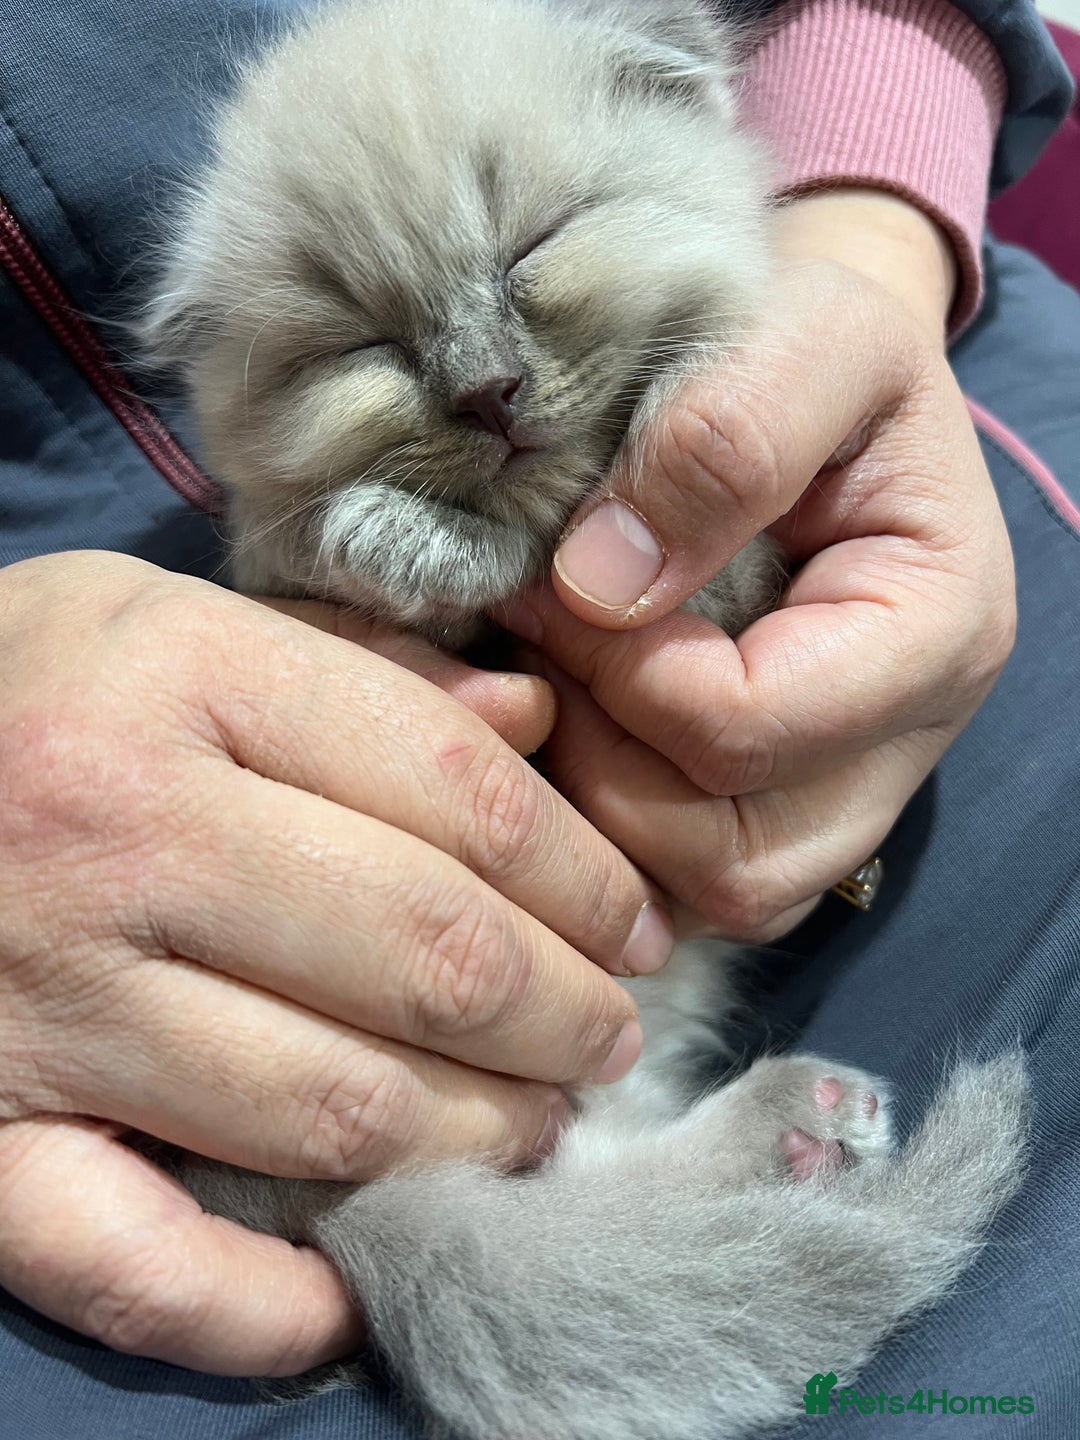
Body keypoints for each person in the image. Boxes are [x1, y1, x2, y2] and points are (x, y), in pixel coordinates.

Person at [0, 0, 1076, 1435]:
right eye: (357, 349)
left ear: (677, 92)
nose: (481, 375)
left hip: (888, 338)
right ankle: (601, 1176)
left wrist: (861, 240)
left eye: (532, 256)